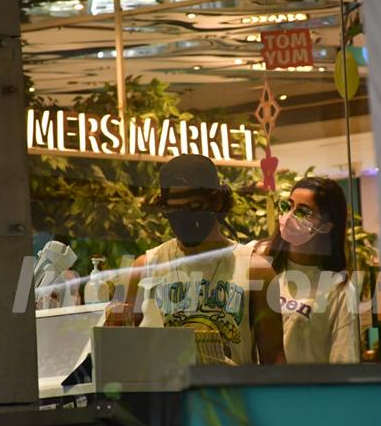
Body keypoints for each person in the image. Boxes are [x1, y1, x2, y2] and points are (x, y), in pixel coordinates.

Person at [107, 154, 285, 364]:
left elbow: (273, 359)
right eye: (173, 210)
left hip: (229, 394)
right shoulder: (146, 267)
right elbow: (121, 352)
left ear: (216, 202)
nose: (183, 218)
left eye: (193, 207)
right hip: (163, 394)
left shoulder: (255, 270)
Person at [259, 177, 360, 363]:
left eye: (303, 212)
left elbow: (343, 359)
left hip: (304, 389)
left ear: (326, 226)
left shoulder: (338, 289)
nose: (289, 216)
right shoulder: (262, 267)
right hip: (255, 387)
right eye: (288, 206)